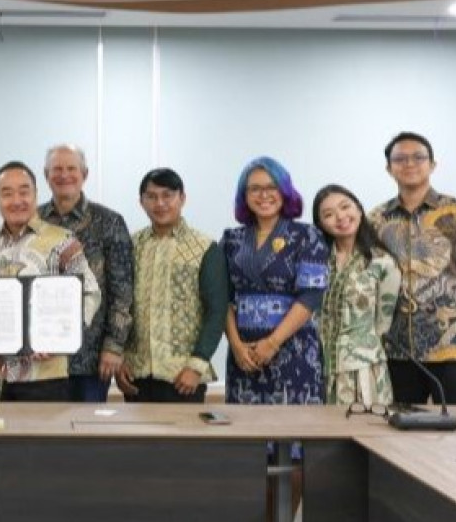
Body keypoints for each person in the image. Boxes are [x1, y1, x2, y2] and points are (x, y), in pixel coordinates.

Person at [369, 131, 456, 406]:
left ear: (432, 164)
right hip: (397, 348)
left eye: (418, 157)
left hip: (454, 347)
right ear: (388, 168)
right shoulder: (376, 220)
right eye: (400, 158)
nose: (410, 163)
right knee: (399, 436)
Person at [0, 162, 100, 402]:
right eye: (7, 193)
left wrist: (63, 335)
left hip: (45, 373)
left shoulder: (63, 241)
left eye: (24, 191)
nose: (16, 200)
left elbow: (90, 293)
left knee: (41, 440)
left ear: (36, 194)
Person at [222, 157, 328, 405]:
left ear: (284, 191)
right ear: (244, 195)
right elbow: (223, 298)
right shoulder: (231, 239)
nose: (263, 195)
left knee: (293, 431)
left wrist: (272, 343)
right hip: (243, 355)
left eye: (271, 187)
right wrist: (236, 346)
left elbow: (311, 295)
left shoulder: (307, 235)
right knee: (245, 433)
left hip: (293, 349)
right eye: (254, 188)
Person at [115, 168, 227, 403]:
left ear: (182, 198)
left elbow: (216, 312)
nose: (160, 203)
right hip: (136, 374)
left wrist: (196, 366)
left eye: (168, 195)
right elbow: (120, 304)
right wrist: (120, 358)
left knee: (183, 441)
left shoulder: (205, 248)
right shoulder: (130, 246)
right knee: (135, 440)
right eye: (152, 196)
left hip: (183, 377)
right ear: (141, 202)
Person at [39, 144, 133, 402]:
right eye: (56, 169)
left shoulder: (110, 222)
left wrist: (114, 347)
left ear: (85, 174)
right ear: (46, 175)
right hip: (41, 356)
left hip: (90, 358)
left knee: (86, 436)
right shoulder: (33, 221)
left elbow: (122, 291)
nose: (64, 175)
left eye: (71, 168)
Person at [311, 184, 400, 407]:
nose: (340, 217)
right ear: (320, 224)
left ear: (359, 209)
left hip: (364, 370)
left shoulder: (383, 263)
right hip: (318, 366)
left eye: (345, 207)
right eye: (328, 214)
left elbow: (382, 326)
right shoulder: (316, 260)